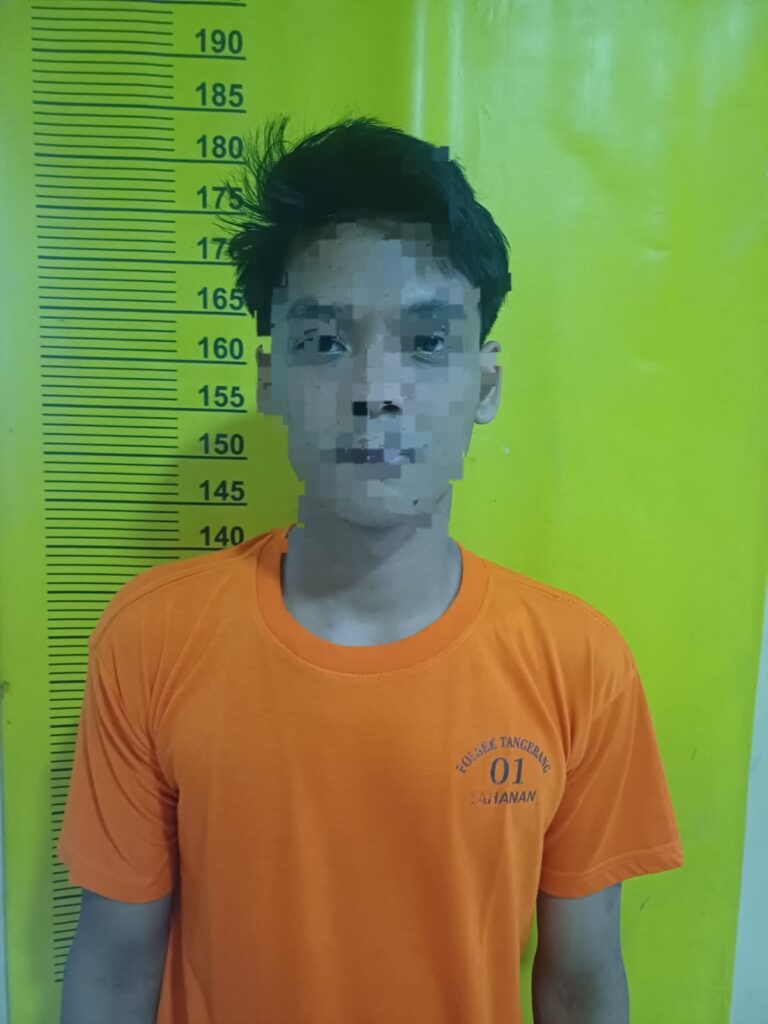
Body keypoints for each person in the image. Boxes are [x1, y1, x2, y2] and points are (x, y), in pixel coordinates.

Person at [58, 114, 684, 1024]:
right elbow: (114, 969)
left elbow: (580, 982)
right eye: (324, 341)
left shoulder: (579, 663)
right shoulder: (151, 638)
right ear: (268, 379)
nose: (374, 390)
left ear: (486, 385)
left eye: (427, 342)